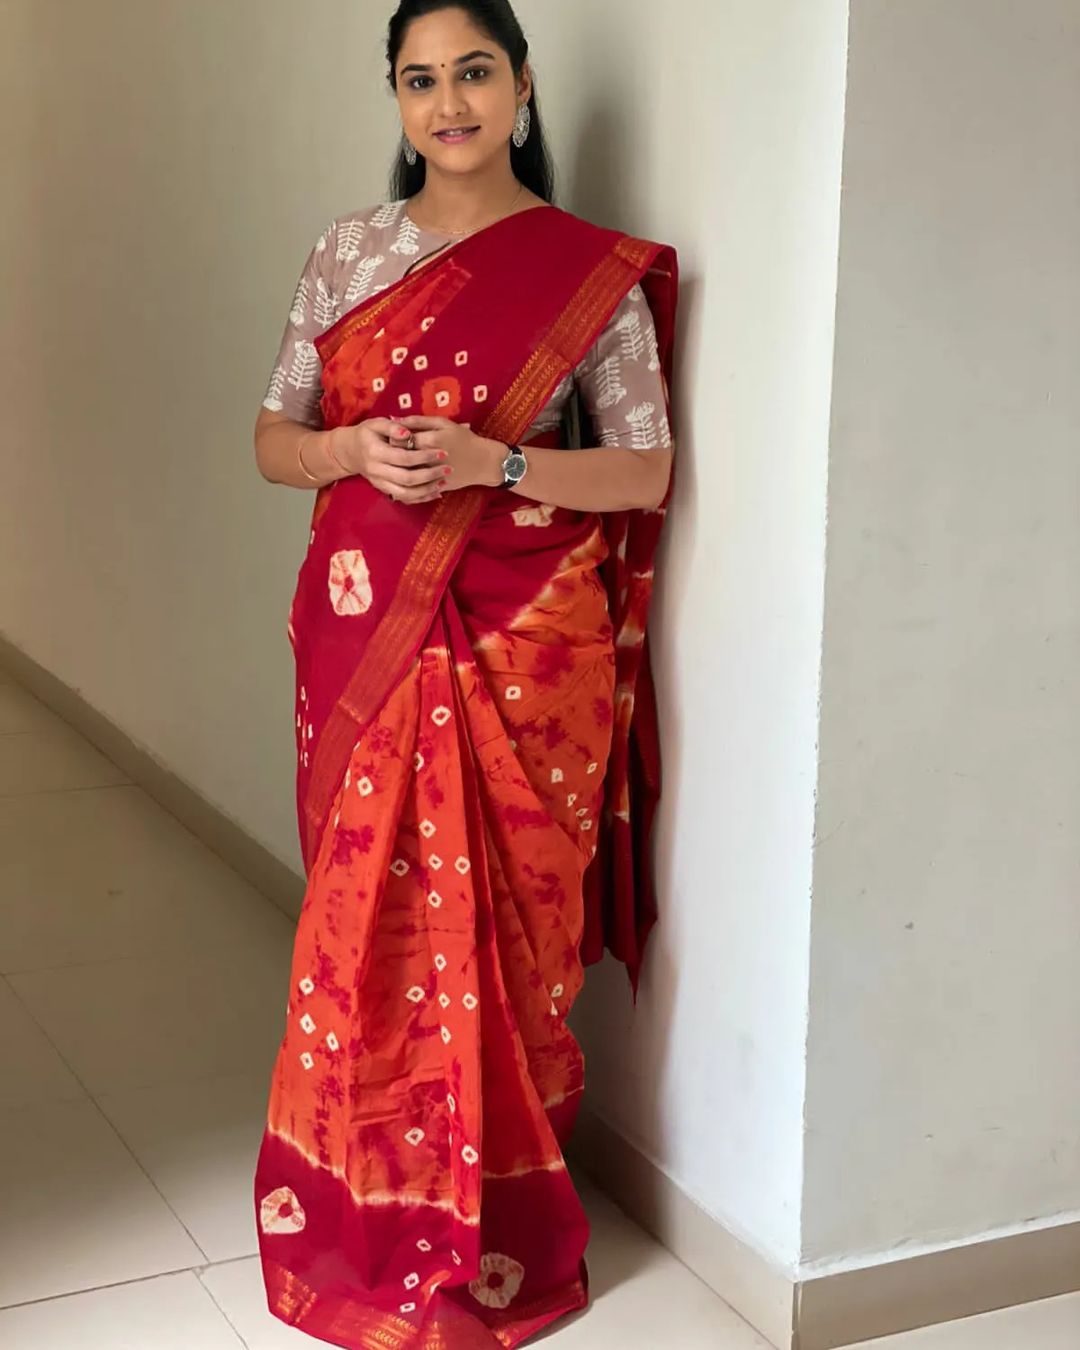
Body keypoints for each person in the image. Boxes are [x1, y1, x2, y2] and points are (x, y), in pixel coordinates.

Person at [252, 1, 678, 1344]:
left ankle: (497, 1200)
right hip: (370, 624)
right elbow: (274, 437)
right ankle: (366, 1193)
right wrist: (353, 451)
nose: (449, 104)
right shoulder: (346, 254)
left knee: (512, 932)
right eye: (421, 80)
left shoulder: (580, 271)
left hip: (524, 639)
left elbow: (647, 466)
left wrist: (502, 464)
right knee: (361, 918)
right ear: (395, 98)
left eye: (475, 73)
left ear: (524, 87)